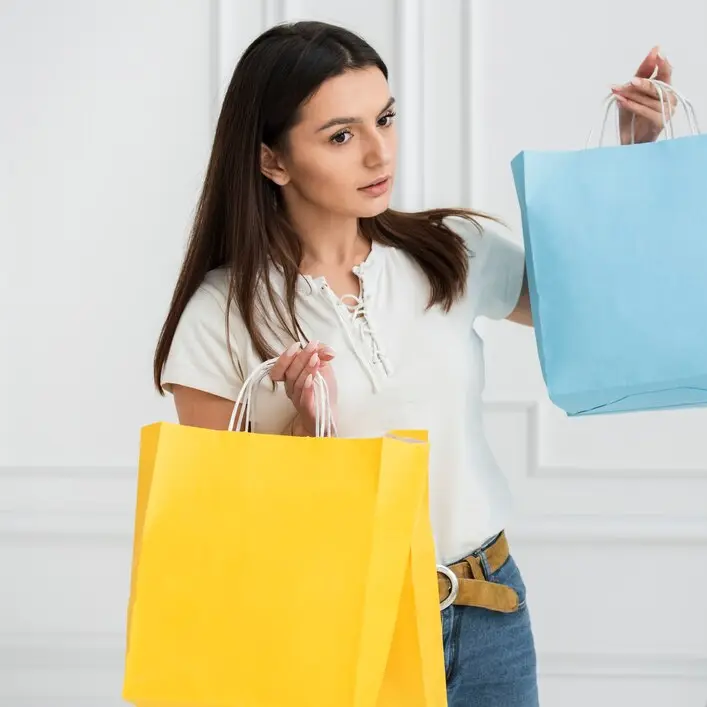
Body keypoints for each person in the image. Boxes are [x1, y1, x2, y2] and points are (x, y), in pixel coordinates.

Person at [152, 20, 675, 706]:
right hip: (336, 626)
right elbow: (219, 531)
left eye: (385, 119)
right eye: (341, 135)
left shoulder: (450, 250)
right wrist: (307, 437)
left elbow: (594, 306)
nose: (378, 153)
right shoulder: (221, 315)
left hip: (489, 609)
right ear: (273, 161)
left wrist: (632, 161)